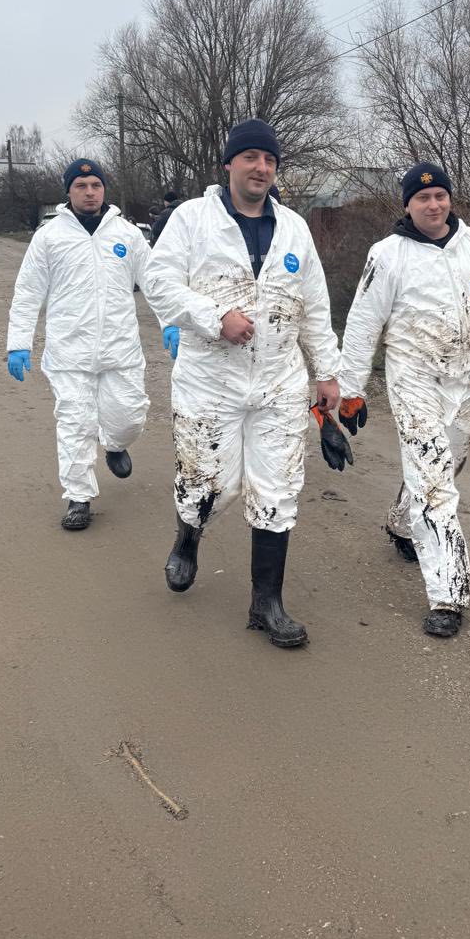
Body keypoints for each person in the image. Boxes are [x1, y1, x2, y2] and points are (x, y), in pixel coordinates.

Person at [143, 118, 341, 648]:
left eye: (270, 160)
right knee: (211, 483)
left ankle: (266, 603)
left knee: (279, 489)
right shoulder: (191, 219)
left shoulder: (295, 228)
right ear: (229, 163)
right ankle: (189, 537)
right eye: (251, 157)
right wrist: (213, 317)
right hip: (210, 383)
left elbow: (315, 306)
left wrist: (327, 373)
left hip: (279, 383)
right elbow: (157, 283)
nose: (261, 167)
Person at [338, 162, 470, 639]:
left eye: (440, 196)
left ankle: (401, 524)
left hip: (468, 380)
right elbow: (363, 324)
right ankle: (449, 595)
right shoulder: (387, 255)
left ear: (450, 199)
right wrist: (351, 390)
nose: (433, 205)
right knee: (434, 485)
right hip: (414, 380)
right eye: (422, 198)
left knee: (444, 466)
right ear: (407, 205)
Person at [6, 159, 158, 530]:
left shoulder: (127, 234)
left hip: (120, 349)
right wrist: (18, 342)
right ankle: (79, 497)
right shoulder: (49, 237)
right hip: (69, 352)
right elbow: (28, 292)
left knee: (130, 418)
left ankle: (116, 444)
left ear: (104, 189)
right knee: (75, 423)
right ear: (69, 191)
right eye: (81, 186)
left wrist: (171, 322)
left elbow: (156, 282)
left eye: (96, 185)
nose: (90, 192)